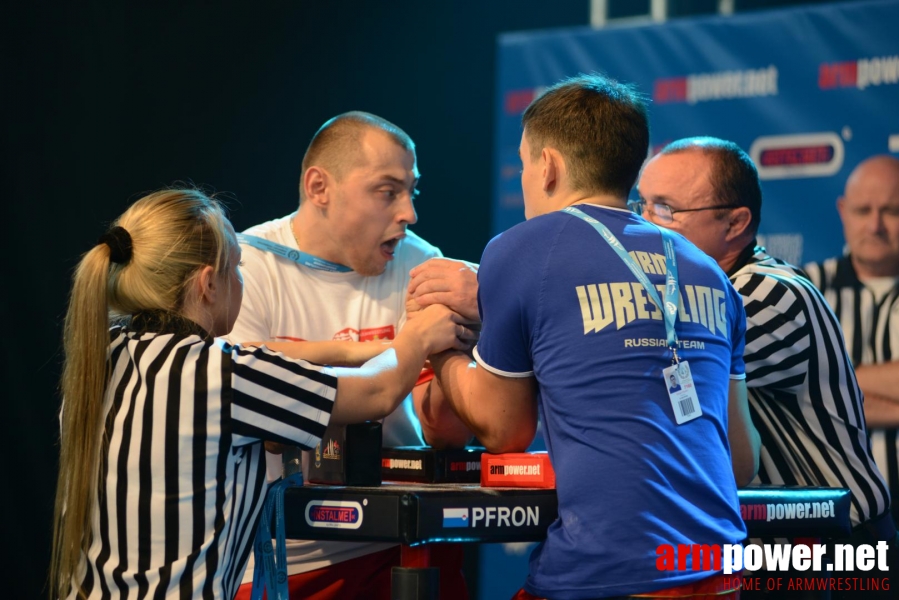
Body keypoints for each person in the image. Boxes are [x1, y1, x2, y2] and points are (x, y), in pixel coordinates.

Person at [431, 74, 760, 600]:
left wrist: (441, 348)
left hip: (606, 573)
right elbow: (740, 460)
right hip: (718, 570)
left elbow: (504, 430)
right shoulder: (710, 271)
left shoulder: (520, 249)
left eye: (523, 164)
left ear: (550, 167)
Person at [49, 189, 468, 600]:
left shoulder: (104, 356)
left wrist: (351, 350)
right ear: (208, 284)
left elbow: (262, 358)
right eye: (236, 268)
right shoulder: (219, 376)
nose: (241, 280)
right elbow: (376, 393)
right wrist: (417, 336)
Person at [229, 112, 476, 600]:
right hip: (283, 553)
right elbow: (257, 424)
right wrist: (394, 352)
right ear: (319, 187)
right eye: (387, 192)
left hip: (398, 537)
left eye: (412, 191)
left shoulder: (422, 262)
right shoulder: (245, 267)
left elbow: (443, 431)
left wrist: (473, 341)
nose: (409, 213)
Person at [637, 138, 895, 598]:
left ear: (735, 222)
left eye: (666, 210)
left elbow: (654, 370)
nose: (642, 223)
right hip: (759, 546)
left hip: (835, 551)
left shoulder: (771, 292)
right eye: (642, 203)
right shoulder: (683, 297)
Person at [804, 155, 899, 524]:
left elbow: (818, 390)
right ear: (843, 211)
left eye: (891, 211)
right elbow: (796, 395)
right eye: (863, 210)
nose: (875, 226)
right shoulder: (804, 289)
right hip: (832, 520)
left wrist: (834, 384)